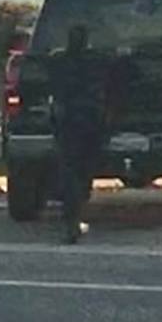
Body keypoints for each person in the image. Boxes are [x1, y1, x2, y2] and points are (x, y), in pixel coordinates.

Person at [48, 25, 116, 244]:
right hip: (92, 120)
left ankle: (72, 217)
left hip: (68, 121)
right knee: (84, 170)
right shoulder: (97, 62)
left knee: (70, 169)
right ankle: (75, 216)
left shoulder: (58, 62)